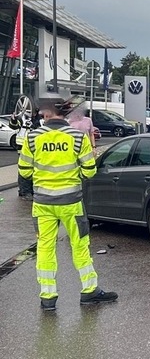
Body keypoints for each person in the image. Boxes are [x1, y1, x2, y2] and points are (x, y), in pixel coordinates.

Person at [18, 98, 118, 311]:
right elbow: (89, 171)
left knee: (45, 248)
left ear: (46, 114)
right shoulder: (77, 137)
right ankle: (89, 291)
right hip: (71, 203)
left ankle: (48, 298)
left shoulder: (33, 137)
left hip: (43, 204)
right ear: (65, 114)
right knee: (80, 247)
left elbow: (24, 171)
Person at [9, 105, 43, 200]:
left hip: (35, 147)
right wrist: (14, 119)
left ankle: (31, 190)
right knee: (24, 170)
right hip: (22, 147)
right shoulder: (22, 117)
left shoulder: (40, 119)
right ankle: (24, 192)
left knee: (34, 170)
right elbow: (13, 126)